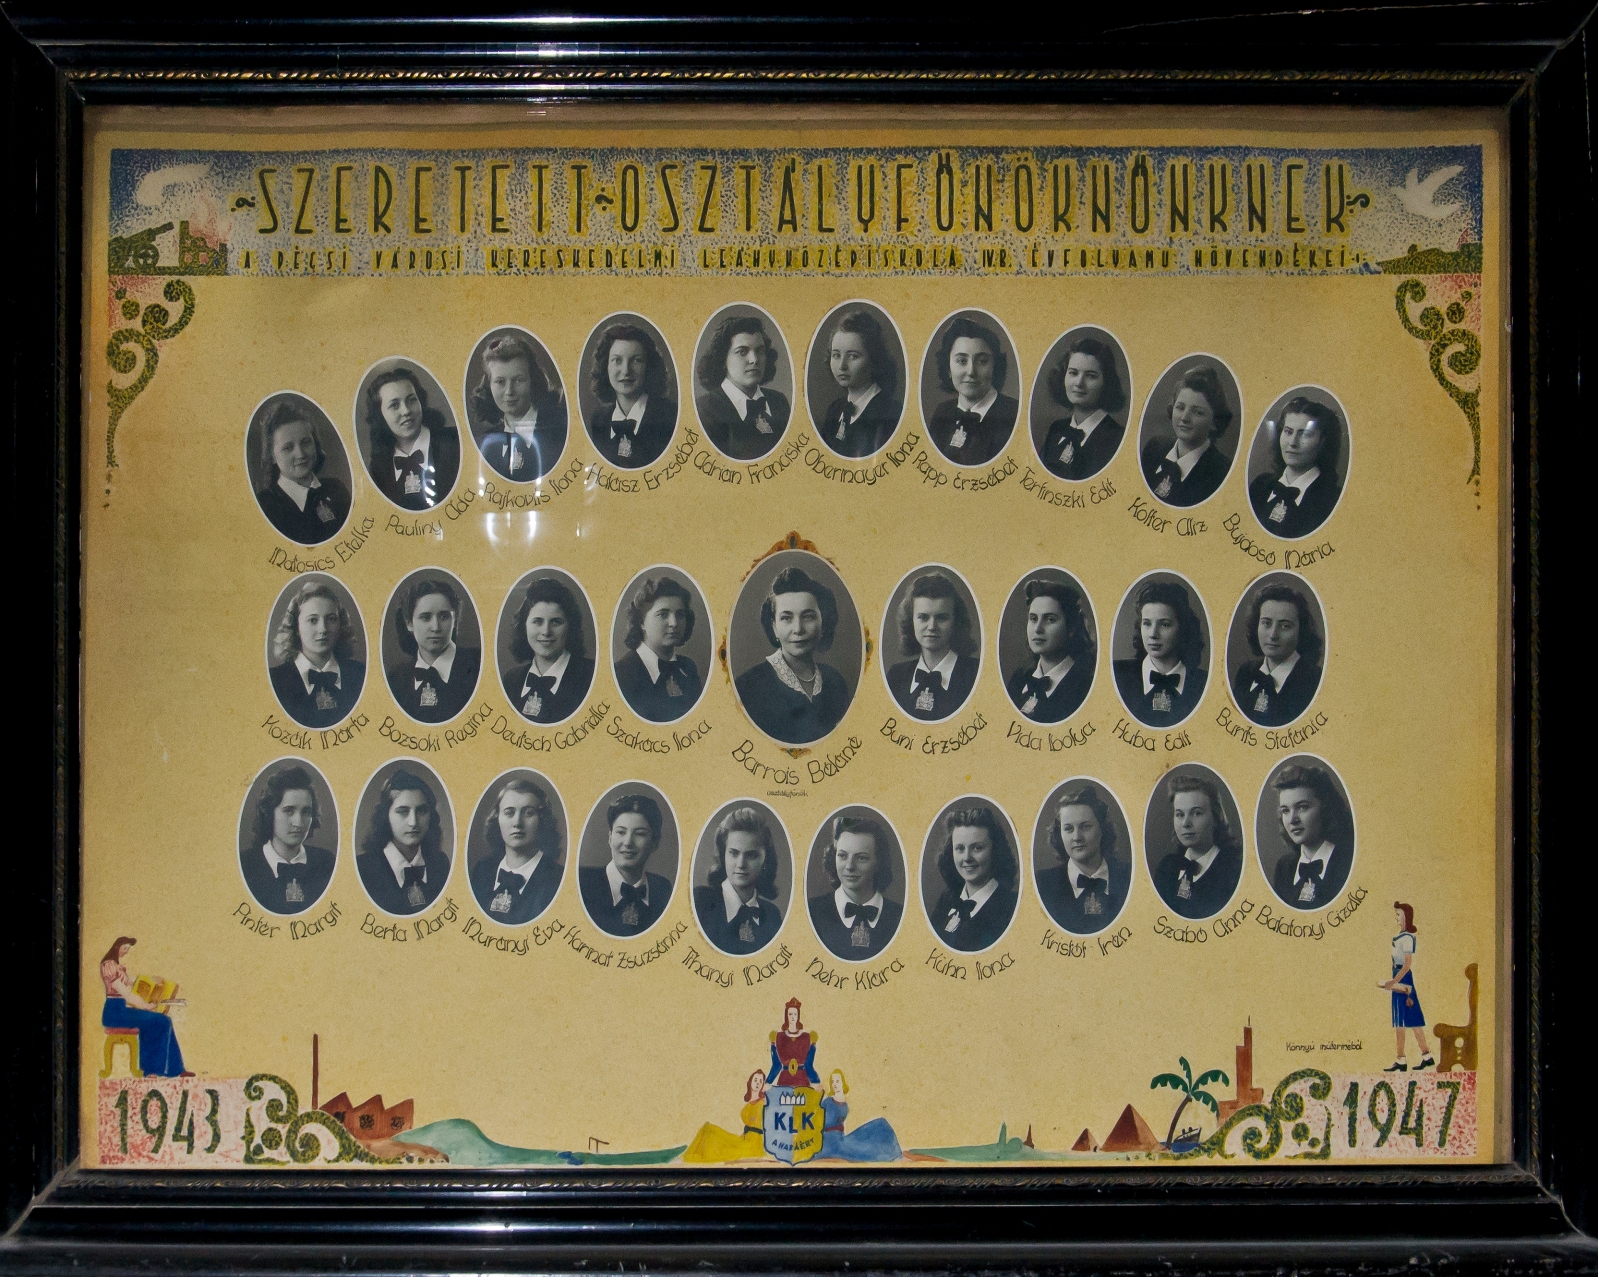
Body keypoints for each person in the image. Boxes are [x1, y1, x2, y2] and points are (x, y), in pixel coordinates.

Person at [735, 565, 852, 745]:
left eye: (808, 616)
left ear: (823, 622)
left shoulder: (836, 683)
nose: (798, 629)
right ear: (774, 626)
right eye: (786, 618)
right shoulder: (747, 687)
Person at [469, 333, 568, 482]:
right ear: (489, 386)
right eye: (500, 382)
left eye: (518, 380)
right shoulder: (485, 444)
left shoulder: (561, 432)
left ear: (533, 380)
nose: (509, 391)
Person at [269, 579, 366, 728]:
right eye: (313, 620)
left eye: (331, 619)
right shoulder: (274, 680)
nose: (323, 629)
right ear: (296, 626)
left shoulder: (360, 674)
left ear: (340, 624)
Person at [240, 765, 336, 915]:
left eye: (306, 812)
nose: (298, 822)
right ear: (269, 813)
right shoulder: (244, 865)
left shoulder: (327, 863)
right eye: (289, 811)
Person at [1034, 782, 1130, 934]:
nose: (1077, 837)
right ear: (1059, 834)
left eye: (1085, 827)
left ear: (1103, 829)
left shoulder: (1129, 876)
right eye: (1068, 829)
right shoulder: (1041, 884)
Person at [362, 363, 460, 510]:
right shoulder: (378, 468)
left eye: (411, 400)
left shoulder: (455, 442)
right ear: (380, 415)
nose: (406, 411)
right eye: (394, 405)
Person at [252, 399, 350, 544]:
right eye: (288, 447)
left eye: (306, 442)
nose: (300, 454)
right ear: (272, 456)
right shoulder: (264, 505)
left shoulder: (336, 489)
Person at [807, 813, 903, 960]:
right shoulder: (811, 911)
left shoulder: (899, 916)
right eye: (842, 856)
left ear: (878, 862)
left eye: (861, 858)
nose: (850, 866)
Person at [500, 576, 595, 725]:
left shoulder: (591, 675)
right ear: (524, 626)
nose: (546, 631)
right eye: (537, 622)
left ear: (570, 627)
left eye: (556, 622)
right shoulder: (511, 680)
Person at [1112, 579, 1208, 727]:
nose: (1153, 634)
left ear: (1182, 629)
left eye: (1165, 624)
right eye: (1147, 623)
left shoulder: (1204, 683)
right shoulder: (1116, 674)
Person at [468, 776, 563, 925]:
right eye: (509, 812)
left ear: (542, 820)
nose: (517, 822)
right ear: (497, 818)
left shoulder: (558, 879)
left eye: (528, 813)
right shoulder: (482, 870)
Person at [355, 767, 451, 915]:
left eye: (421, 811)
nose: (413, 822)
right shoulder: (363, 868)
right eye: (403, 811)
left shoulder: (440, 864)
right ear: (385, 816)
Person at [385, 576, 481, 724]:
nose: (436, 627)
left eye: (444, 616)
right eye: (425, 617)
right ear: (409, 623)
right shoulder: (395, 680)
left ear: (455, 621)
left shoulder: (479, 665)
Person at [695, 313, 791, 461]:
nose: (754, 360)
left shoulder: (779, 402)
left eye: (760, 351)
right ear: (722, 359)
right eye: (742, 352)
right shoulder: (705, 409)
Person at [925, 315, 1018, 466]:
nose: (971, 372)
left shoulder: (1014, 414)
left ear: (995, 366)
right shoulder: (942, 412)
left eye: (982, 361)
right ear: (948, 368)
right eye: (962, 361)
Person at [885, 572, 979, 721]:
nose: (932, 627)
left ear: (956, 622)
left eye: (942, 618)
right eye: (923, 617)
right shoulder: (895, 676)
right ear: (911, 621)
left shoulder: (976, 674)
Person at [1248, 395, 1345, 538]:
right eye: (1288, 431)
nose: (1292, 442)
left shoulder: (1333, 500)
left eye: (1305, 434)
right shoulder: (1259, 486)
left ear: (1323, 441)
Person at [578, 792, 673, 937]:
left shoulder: (662, 889)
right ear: (610, 837)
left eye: (640, 834)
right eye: (621, 832)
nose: (628, 842)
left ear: (654, 843)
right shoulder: (582, 881)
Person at [927, 805, 1020, 952]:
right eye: (960, 848)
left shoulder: (1012, 906)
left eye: (977, 848)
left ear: (995, 850)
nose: (967, 858)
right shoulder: (947, 899)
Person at [584, 322, 677, 469]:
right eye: (617, 360)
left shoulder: (670, 416)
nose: (626, 370)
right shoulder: (599, 419)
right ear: (605, 366)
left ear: (648, 366)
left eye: (636, 360)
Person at [1151, 772, 1243, 919]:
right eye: (1180, 814)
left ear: (1216, 817)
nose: (1186, 823)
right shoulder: (1167, 868)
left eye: (1196, 813)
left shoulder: (1234, 870)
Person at [694, 807, 785, 955]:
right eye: (734, 853)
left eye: (751, 855)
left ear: (765, 860)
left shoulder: (772, 915)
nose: (741, 864)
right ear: (723, 855)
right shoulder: (700, 901)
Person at [1139, 364, 1234, 507]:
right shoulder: (1154, 448)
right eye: (1180, 407)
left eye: (1197, 412)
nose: (1184, 418)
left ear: (1215, 422)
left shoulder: (1222, 471)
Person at [1232, 582, 1323, 727]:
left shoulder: (1315, 681)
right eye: (1266, 623)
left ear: (1301, 630)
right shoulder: (1245, 673)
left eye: (1285, 626)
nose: (1273, 635)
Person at [613, 576, 703, 723]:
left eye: (680, 615)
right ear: (641, 622)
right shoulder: (622, 674)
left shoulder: (688, 668)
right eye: (663, 615)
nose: (674, 623)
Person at [1005, 578, 1095, 724]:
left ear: (1071, 628)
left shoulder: (1085, 685)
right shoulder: (1020, 678)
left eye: (1050, 619)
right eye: (1033, 619)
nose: (1038, 629)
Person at [1038, 335, 1127, 481]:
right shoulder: (1056, 429)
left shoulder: (1118, 439)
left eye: (1091, 376)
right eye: (1073, 373)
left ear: (1106, 382)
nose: (1079, 383)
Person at [817, 309, 902, 458]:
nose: (842, 365)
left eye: (853, 356)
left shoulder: (890, 413)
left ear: (873, 359)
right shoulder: (835, 409)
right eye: (836, 355)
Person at [99, 937, 189, 1078]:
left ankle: (176, 1069)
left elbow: (134, 982)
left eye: (128, 949)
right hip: (115, 1012)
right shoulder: (108, 965)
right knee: (159, 1021)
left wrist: (152, 980)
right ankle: (151, 1070)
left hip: (123, 1010)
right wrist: (145, 1006)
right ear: (116, 947)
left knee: (164, 1020)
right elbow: (127, 994)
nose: (126, 952)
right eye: (124, 948)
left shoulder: (119, 967)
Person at [1266, 763, 1354, 908]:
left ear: (1325, 808)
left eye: (1302, 807)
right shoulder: (1284, 868)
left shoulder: (1348, 862)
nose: (1292, 820)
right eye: (1285, 810)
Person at [1381, 902, 1436, 1072]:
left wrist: (1392, 982)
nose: (1396, 918)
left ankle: (1422, 1056)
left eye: (1398, 914)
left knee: (1411, 1018)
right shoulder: (1399, 936)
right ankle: (1409, 1058)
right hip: (1397, 974)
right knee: (1400, 1020)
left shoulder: (1408, 938)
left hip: (1403, 978)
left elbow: (1406, 965)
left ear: (1406, 916)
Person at [682, 1070, 769, 1163]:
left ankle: (693, 1157)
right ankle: (692, 1155)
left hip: (754, 1144)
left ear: (762, 1085)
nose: (758, 1083)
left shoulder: (764, 1102)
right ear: (750, 1082)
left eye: (760, 1081)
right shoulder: (749, 1103)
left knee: (713, 1138)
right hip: (744, 1139)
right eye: (755, 1080)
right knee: (707, 1128)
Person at [819, 1069, 902, 1162]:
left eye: (837, 1081)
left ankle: (895, 1153)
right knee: (861, 1148)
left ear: (843, 1083)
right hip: (830, 1142)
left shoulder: (845, 1105)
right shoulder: (827, 1102)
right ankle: (893, 1155)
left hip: (840, 1139)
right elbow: (820, 1121)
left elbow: (840, 1126)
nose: (834, 1084)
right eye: (832, 1081)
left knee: (881, 1123)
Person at [767, 997, 820, 1087]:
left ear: (798, 1016)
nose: (792, 1017)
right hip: (784, 1079)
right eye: (790, 1014)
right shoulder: (779, 1037)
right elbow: (777, 1065)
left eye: (795, 1014)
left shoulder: (806, 1037)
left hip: (802, 1079)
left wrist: (816, 1082)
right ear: (786, 1016)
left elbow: (808, 1064)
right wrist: (768, 1082)